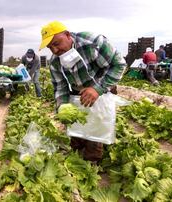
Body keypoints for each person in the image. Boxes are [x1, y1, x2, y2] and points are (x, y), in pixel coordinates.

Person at [39, 21, 126, 162]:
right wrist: (62, 107)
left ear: (67, 35)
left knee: (95, 125)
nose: (55, 50)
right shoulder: (55, 62)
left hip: (103, 86)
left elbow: (119, 65)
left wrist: (97, 89)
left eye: (56, 43)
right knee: (76, 128)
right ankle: (77, 149)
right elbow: (60, 87)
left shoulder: (93, 43)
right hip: (77, 91)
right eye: (50, 47)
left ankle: (91, 160)